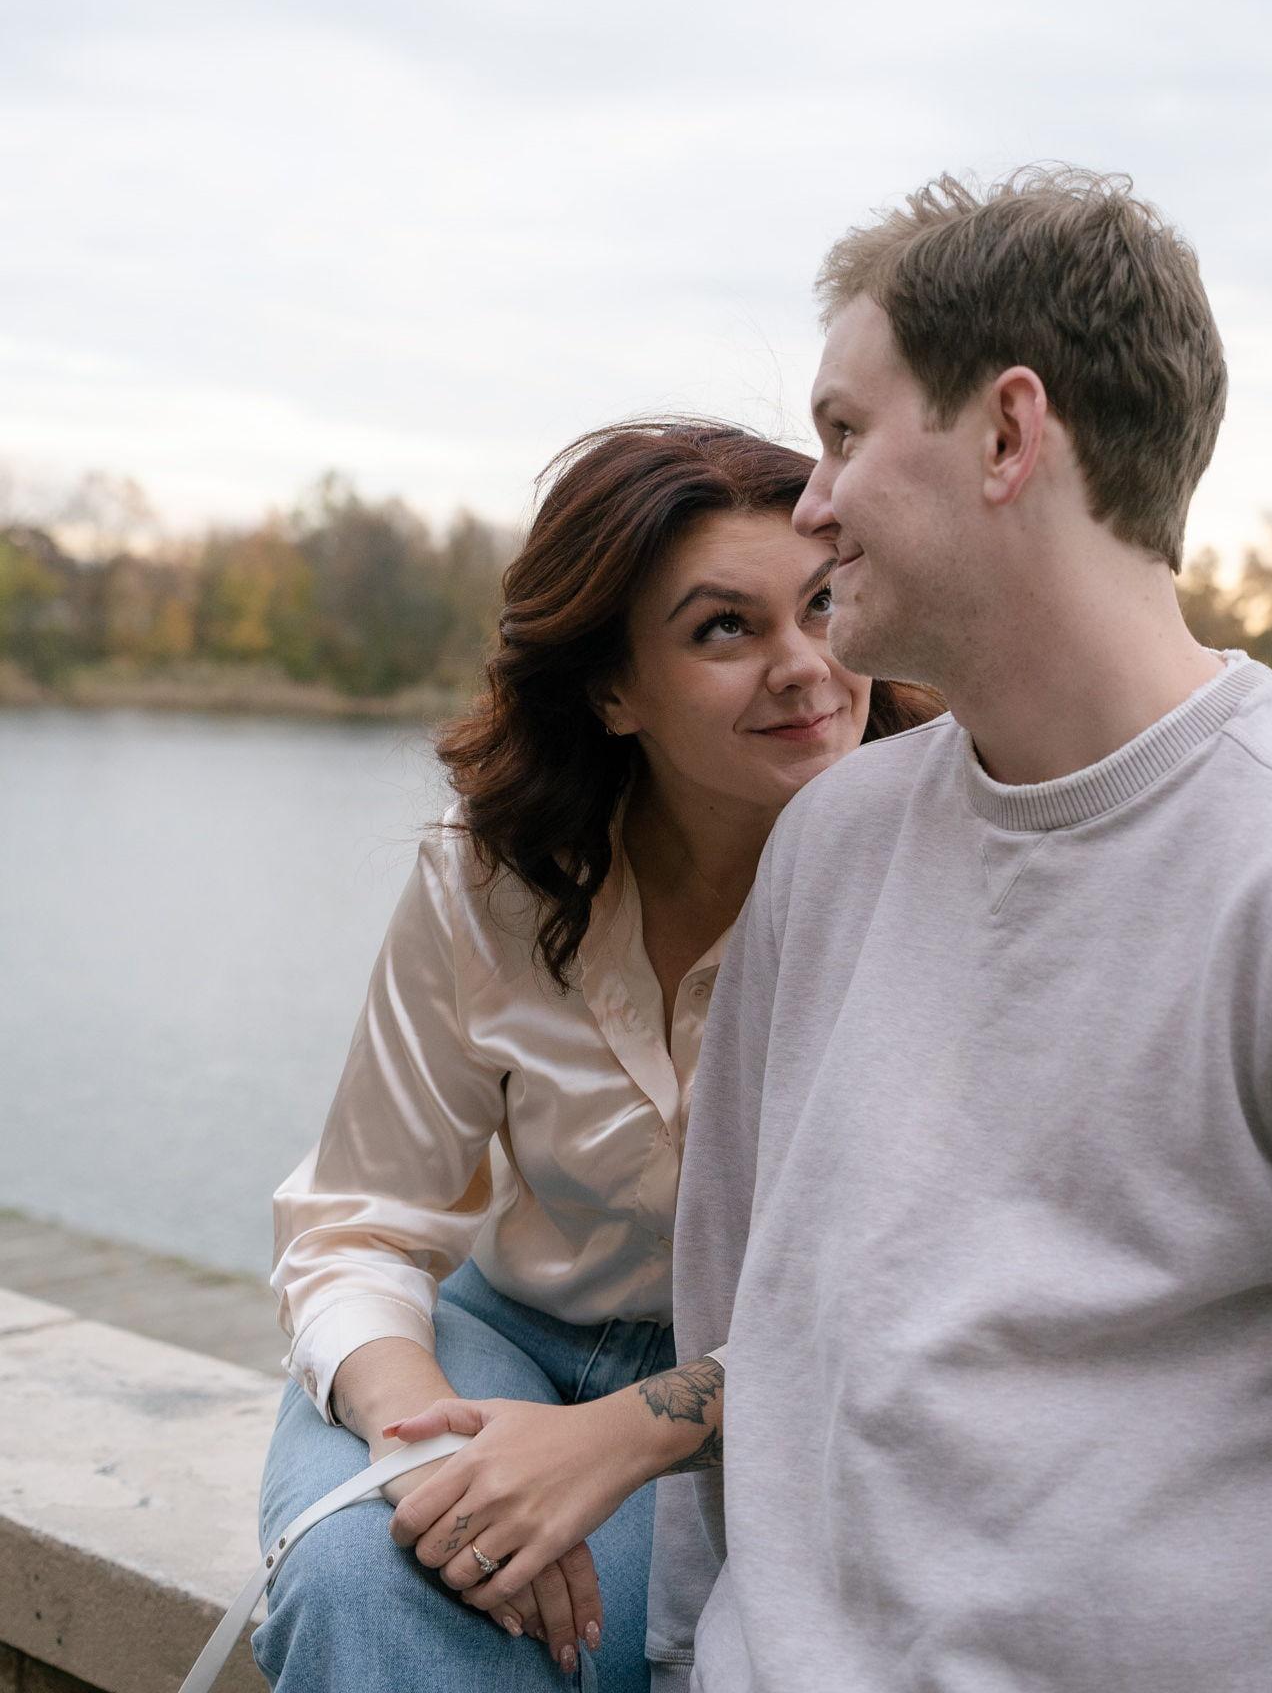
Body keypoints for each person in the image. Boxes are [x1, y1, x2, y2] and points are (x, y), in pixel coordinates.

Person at [393, 169, 1272, 1692]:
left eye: (844, 434)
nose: (811, 504)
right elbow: (750, 1319)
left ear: (1009, 435)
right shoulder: (831, 848)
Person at [257, 419, 936, 1693]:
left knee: (532, 1639)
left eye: (822, 603)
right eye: (724, 627)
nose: (806, 666)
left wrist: (606, 1445)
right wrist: (429, 1452)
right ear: (612, 691)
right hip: (499, 1340)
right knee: (363, 1574)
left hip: (774, 1408)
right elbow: (359, 1216)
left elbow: (931, 1294)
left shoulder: (943, 876)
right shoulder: (491, 875)